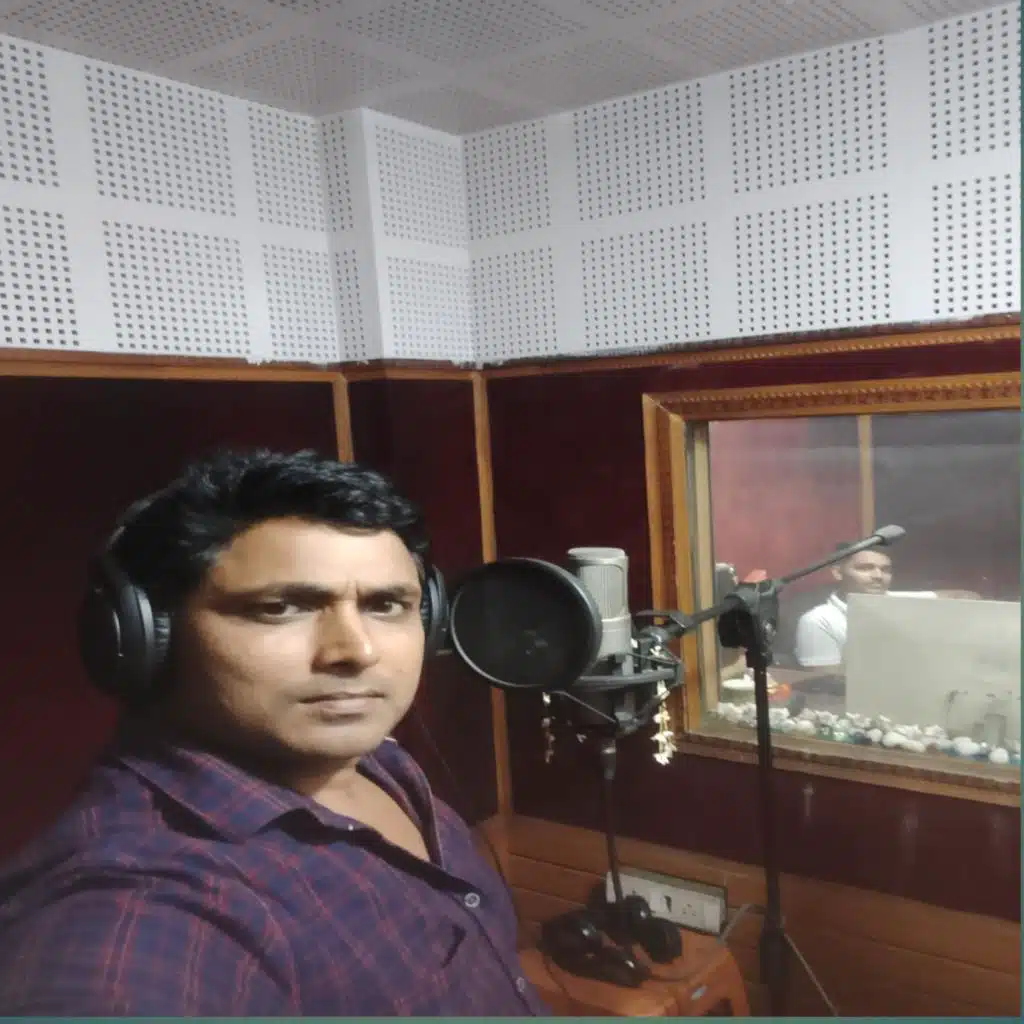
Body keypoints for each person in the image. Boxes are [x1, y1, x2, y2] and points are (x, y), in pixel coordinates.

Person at [0, 449, 548, 1017]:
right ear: (146, 637)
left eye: (386, 604)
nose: (356, 651)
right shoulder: (131, 911)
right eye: (281, 607)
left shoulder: (376, 759)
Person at [793, 545, 976, 673]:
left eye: (885, 569)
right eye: (865, 568)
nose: (878, 576)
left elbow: (965, 597)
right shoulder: (818, 620)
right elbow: (827, 684)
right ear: (837, 572)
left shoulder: (897, 600)